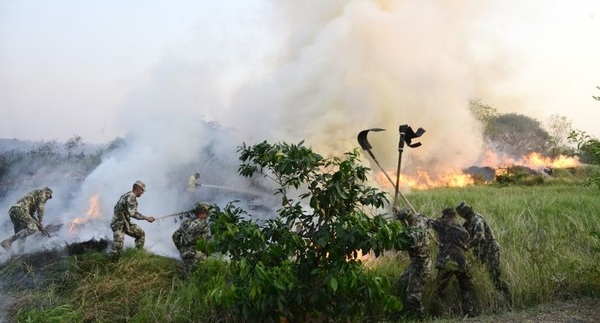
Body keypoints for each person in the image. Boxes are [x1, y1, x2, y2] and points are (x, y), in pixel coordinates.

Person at [456, 201, 511, 301]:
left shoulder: (477, 219)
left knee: (495, 277)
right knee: (472, 273)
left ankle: (508, 298)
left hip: (491, 250)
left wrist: (466, 247)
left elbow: (479, 237)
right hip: (480, 252)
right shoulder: (467, 223)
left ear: (463, 214)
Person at [430, 208, 476, 318]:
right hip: (461, 261)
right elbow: (464, 244)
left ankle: (438, 314)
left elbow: (429, 222)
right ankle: (469, 313)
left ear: (445, 215)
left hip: (448, 261)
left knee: (440, 288)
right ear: (455, 216)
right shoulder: (463, 230)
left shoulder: (443, 222)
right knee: (466, 287)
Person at [393, 207, 432, 320]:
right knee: (401, 283)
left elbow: (409, 244)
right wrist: (399, 212)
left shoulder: (416, 231)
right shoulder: (419, 218)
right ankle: (402, 313)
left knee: (413, 295)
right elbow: (424, 217)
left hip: (421, 265)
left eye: (402, 221)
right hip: (415, 263)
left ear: (406, 220)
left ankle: (420, 318)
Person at [108, 180, 155, 258]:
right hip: (118, 224)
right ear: (138, 189)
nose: (142, 192)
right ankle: (109, 263)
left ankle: (139, 255)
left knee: (140, 234)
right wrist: (147, 218)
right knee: (117, 249)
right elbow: (132, 213)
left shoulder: (127, 195)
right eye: (142, 190)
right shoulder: (131, 196)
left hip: (125, 223)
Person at [1, 187, 53, 253]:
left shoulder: (34, 198)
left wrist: (38, 224)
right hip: (20, 210)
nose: (48, 199)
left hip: (14, 211)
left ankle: (18, 254)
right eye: (49, 196)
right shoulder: (42, 193)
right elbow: (41, 208)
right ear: (47, 192)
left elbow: (31, 215)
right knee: (33, 228)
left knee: (21, 234)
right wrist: (40, 222)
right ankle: (8, 241)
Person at [172, 202, 211, 272]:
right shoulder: (204, 224)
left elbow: (175, 236)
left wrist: (181, 249)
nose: (207, 216)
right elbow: (206, 243)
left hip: (184, 254)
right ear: (201, 213)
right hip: (196, 255)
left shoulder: (186, 222)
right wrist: (206, 254)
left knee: (187, 274)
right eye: (206, 213)